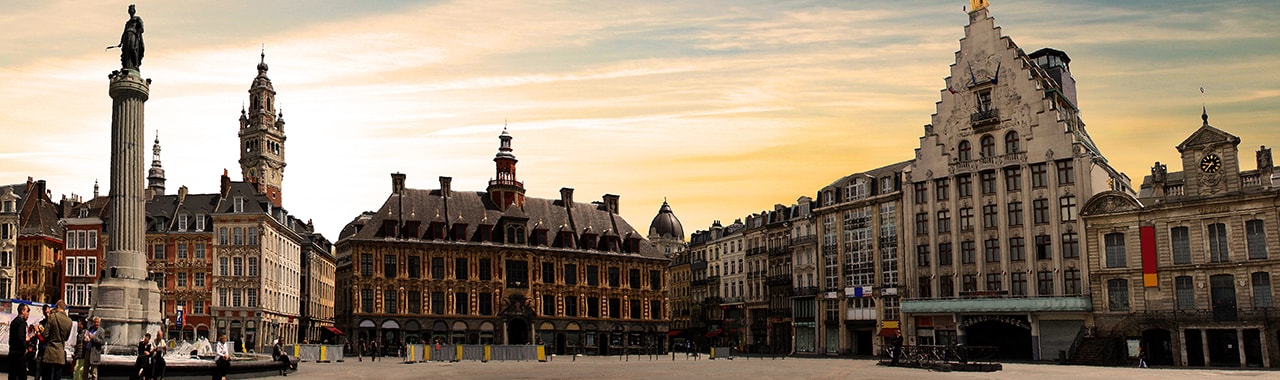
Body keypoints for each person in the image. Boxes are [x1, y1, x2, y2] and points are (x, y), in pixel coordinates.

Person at [41, 300, 74, 380]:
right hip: (60, 352)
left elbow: (45, 334)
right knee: (58, 376)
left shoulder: (52, 317)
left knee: (47, 376)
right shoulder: (69, 321)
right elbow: (66, 338)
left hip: (50, 351)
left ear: (58, 307)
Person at [116, 4, 145, 70]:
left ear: (134, 11)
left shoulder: (137, 18)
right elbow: (124, 32)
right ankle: (126, 65)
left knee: (132, 48)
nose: (131, 11)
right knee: (126, 51)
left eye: (132, 10)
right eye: (129, 10)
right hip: (127, 35)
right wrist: (121, 42)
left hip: (133, 34)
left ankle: (136, 64)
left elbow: (142, 28)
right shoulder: (127, 22)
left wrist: (138, 34)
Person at [8, 304, 30, 380]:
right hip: (19, 354)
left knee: (12, 376)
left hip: (12, 352)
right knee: (22, 376)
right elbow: (20, 337)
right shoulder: (21, 322)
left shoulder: (14, 321)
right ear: (22, 311)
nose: (28, 314)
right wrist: (24, 348)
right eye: (27, 311)